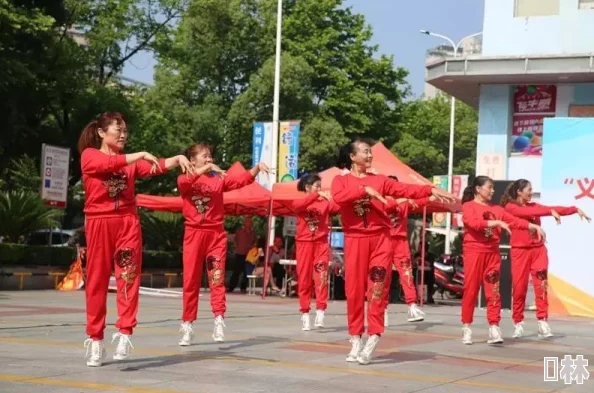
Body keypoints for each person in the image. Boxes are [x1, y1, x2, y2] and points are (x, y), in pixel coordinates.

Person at [79, 111, 193, 367]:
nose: (123, 135)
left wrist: (176, 158)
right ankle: (96, 340)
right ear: (101, 132)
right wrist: (138, 154)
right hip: (99, 222)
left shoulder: (129, 161)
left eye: (125, 132)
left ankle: (125, 332)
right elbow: (105, 166)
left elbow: (157, 166)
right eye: (117, 130)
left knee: (128, 278)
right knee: (96, 281)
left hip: (127, 223)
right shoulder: (90, 156)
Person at [331, 138, 457, 365]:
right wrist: (364, 190)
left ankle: (373, 337)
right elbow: (340, 199)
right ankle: (355, 338)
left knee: (378, 289)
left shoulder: (380, 181)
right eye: (365, 152)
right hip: (355, 240)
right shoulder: (340, 181)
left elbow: (404, 189)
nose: (370, 156)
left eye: (370, 152)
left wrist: (429, 189)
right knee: (354, 291)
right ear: (352, 156)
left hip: (381, 240)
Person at [177, 143, 270, 346]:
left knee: (216, 279)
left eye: (210, 156)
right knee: (191, 281)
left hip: (215, 235)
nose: (209, 159)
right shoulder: (185, 178)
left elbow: (238, 181)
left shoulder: (217, 179)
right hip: (194, 233)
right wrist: (205, 169)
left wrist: (255, 169)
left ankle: (219, 319)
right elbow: (186, 183)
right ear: (192, 160)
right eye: (205, 156)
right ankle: (187, 325)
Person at [460, 175, 546, 345]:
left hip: (492, 253)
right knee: (470, 290)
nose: (492, 191)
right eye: (489, 187)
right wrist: (495, 223)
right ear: (478, 189)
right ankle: (467, 326)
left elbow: (513, 221)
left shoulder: (497, 209)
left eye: (493, 187)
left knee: (493, 291)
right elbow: (474, 223)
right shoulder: (469, 206)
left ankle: (494, 327)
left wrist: (532, 226)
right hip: (474, 251)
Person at [500, 179, 590, 339]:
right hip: (520, 252)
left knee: (541, 286)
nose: (531, 191)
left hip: (538, 251)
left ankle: (543, 322)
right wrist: (549, 212)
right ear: (519, 192)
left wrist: (574, 209)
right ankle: (518, 322)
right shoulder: (510, 207)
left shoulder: (535, 207)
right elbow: (525, 213)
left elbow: (551, 209)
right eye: (528, 189)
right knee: (519, 288)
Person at [383, 175, 436, 326]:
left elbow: (417, 203)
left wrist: (431, 198)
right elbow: (387, 206)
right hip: (384, 241)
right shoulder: (380, 201)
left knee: (407, 273)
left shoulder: (404, 202)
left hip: (400, 241)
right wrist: (400, 200)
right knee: (383, 276)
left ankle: (412, 306)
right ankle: (382, 309)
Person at [292, 173, 340, 331]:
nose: (320, 189)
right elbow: (298, 207)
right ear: (307, 187)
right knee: (304, 279)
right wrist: (316, 195)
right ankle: (305, 313)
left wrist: (331, 197)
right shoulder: (299, 201)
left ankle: (320, 311)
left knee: (321, 277)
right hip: (304, 244)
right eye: (316, 186)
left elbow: (338, 206)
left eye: (321, 186)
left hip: (320, 244)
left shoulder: (324, 202)